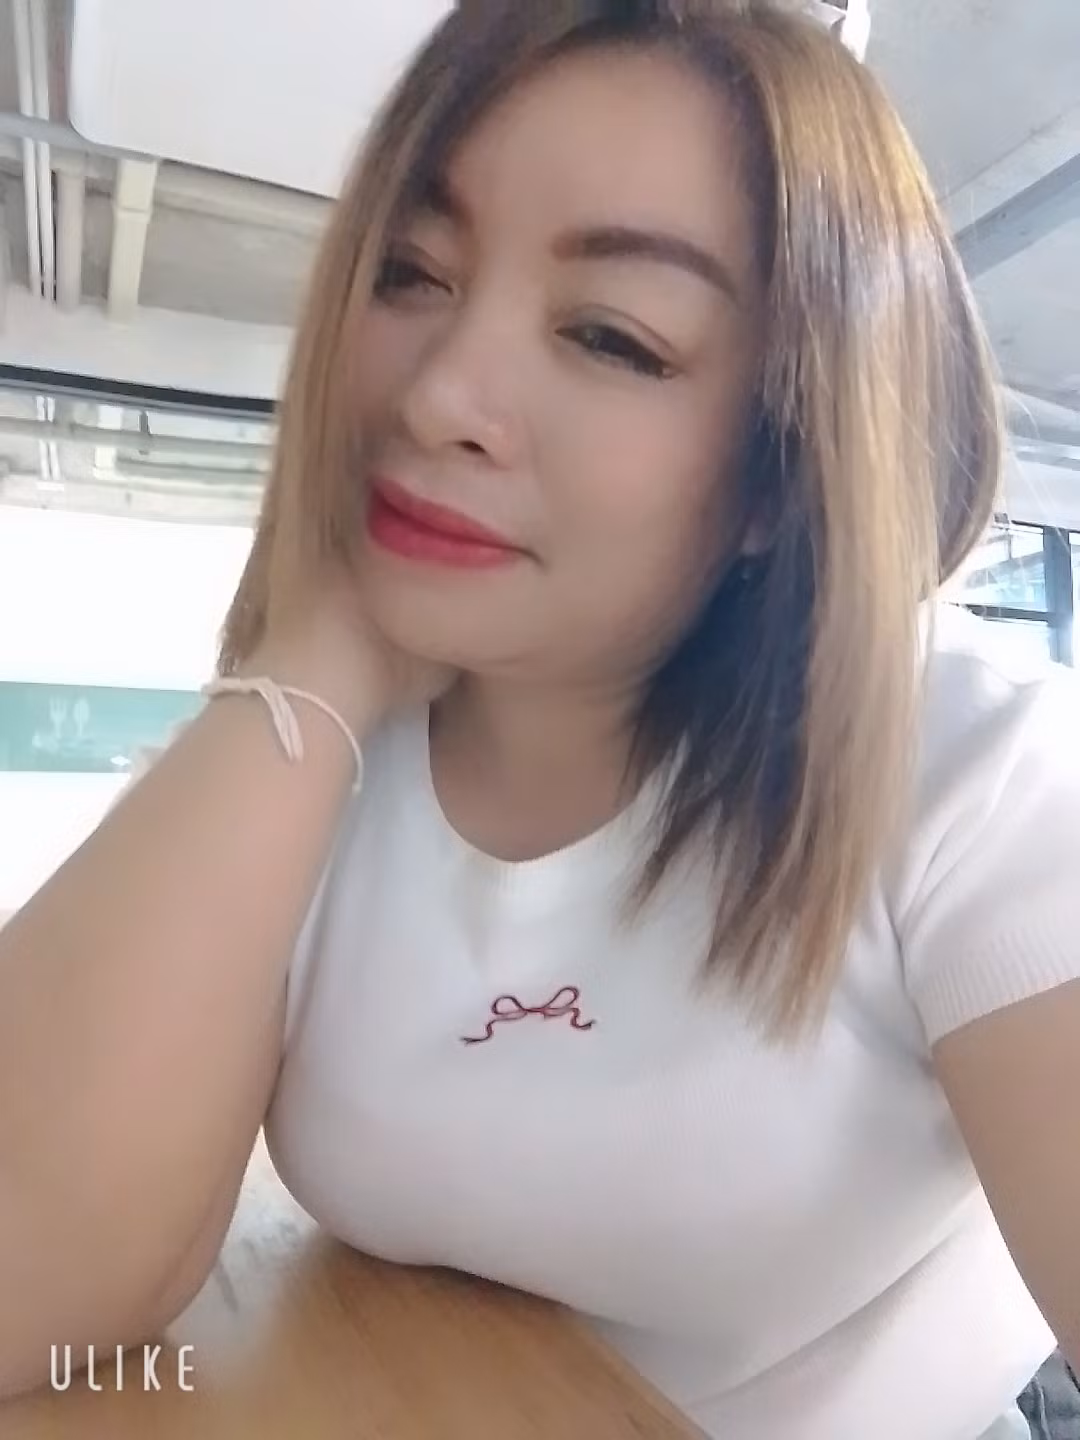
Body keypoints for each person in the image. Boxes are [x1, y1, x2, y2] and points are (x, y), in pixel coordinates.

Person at [1, 2, 1078, 1436]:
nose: (440, 393)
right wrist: (321, 650)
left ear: (781, 469)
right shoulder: (312, 777)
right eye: (410, 272)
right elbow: (26, 1290)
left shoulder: (975, 781)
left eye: (612, 338)